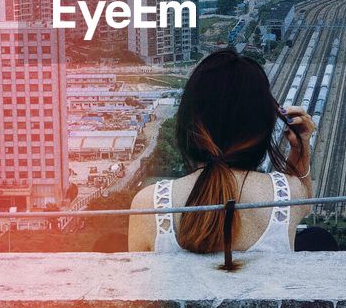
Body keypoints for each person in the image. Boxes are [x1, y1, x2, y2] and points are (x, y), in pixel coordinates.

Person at [128, 48, 316, 253]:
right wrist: (302, 146)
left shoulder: (148, 204)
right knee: (319, 238)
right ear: (262, 125)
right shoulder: (288, 195)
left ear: (189, 122)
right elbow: (306, 204)